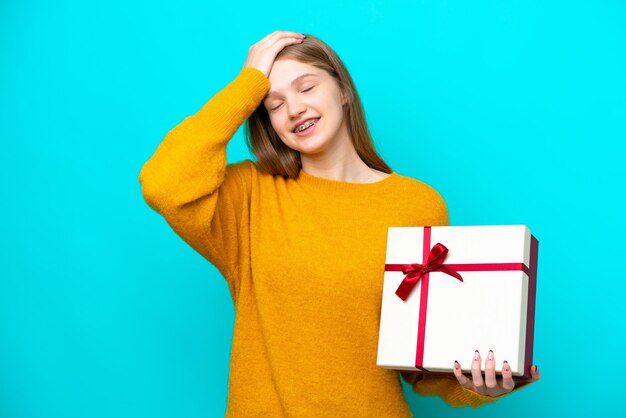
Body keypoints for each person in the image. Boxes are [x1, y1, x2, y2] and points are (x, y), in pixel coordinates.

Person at [138, 30, 540, 417]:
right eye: (273, 104)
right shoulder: (249, 195)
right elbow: (164, 184)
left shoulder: (417, 205)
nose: (293, 109)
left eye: (306, 87)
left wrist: (480, 383)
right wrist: (246, 85)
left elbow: (420, 361)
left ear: (343, 90)